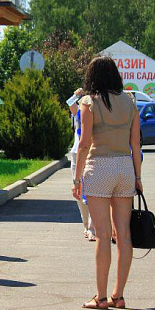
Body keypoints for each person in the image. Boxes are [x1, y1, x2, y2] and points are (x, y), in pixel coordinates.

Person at [72, 56, 142, 310]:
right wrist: (138, 177)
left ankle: (100, 297)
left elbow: (84, 143)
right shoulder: (130, 101)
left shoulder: (88, 102)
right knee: (123, 234)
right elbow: (136, 143)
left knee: (102, 235)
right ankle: (118, 295)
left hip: (99, 167)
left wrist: (77, 178)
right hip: (125, 167)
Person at [68, 88, 95, 241]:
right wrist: (76, 94)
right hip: (77, 153)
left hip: (92, 153)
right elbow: (70, 103)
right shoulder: (79, 111)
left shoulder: (96, 109)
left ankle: (92, 228)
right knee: (79, 193)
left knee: (92, 191)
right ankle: (86, 225)